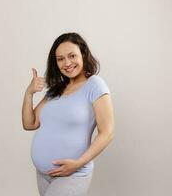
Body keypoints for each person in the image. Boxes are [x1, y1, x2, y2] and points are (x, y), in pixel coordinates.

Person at [21, 32, 115, 196]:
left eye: (72, 56)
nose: (67, 63)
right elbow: (30, 124)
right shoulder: (56, 89)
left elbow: (107, 132)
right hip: (43, 174)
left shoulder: (95, 85)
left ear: (83, 54)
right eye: (60, 59)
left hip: (73, 173)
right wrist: (29, 93)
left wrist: (78, 163)